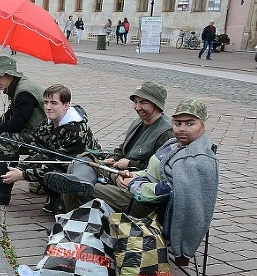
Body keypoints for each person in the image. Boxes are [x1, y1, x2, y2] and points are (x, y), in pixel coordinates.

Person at [50, 100, 217, 265]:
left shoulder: (195, 159)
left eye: (190, 124)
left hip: (145, 206)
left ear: (203, 125)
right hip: (135, 185)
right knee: (84, 160)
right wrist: (133, 175)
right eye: (178, 123)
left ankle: (73, 237)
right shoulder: (174, 144)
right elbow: (154, 171)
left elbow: (167, 190)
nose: (181, 128)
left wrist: (133, 184)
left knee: (74, 189)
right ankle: (81, 188)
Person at [44, 81, 173, 211]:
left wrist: (129, 164)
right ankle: (81, 182)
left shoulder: (166, 133)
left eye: (143, 102)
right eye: (136, 102)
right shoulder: (138, 122)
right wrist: (113, 157)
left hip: (134, 183)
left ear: (156, 104)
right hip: (118, 172)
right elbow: (122, 148)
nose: (137, 107)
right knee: (82, 159)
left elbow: (159, 172)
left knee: (82, 188)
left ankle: (73, 203)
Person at [0, 84, 99, 214]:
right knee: (40, 161)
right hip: (59, 162)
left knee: (52, 172)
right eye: (46, 102)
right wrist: (20, 168)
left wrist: (23, 174)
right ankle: (54, 197)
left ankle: (63, 200)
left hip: (81, 168)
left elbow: (60, 163)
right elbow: (37, 151)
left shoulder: (76, 130)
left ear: (66, 105)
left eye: (54, 103)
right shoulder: (47, 123)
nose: (48, 107)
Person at [0, 55, 46, 205]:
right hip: (36, 132)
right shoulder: (16, 87)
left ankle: (3, 191)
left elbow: (15, 125)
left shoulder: (24, 92)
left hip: (44, 138)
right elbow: (9, 116)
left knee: (8, 139)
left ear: (10, 75)